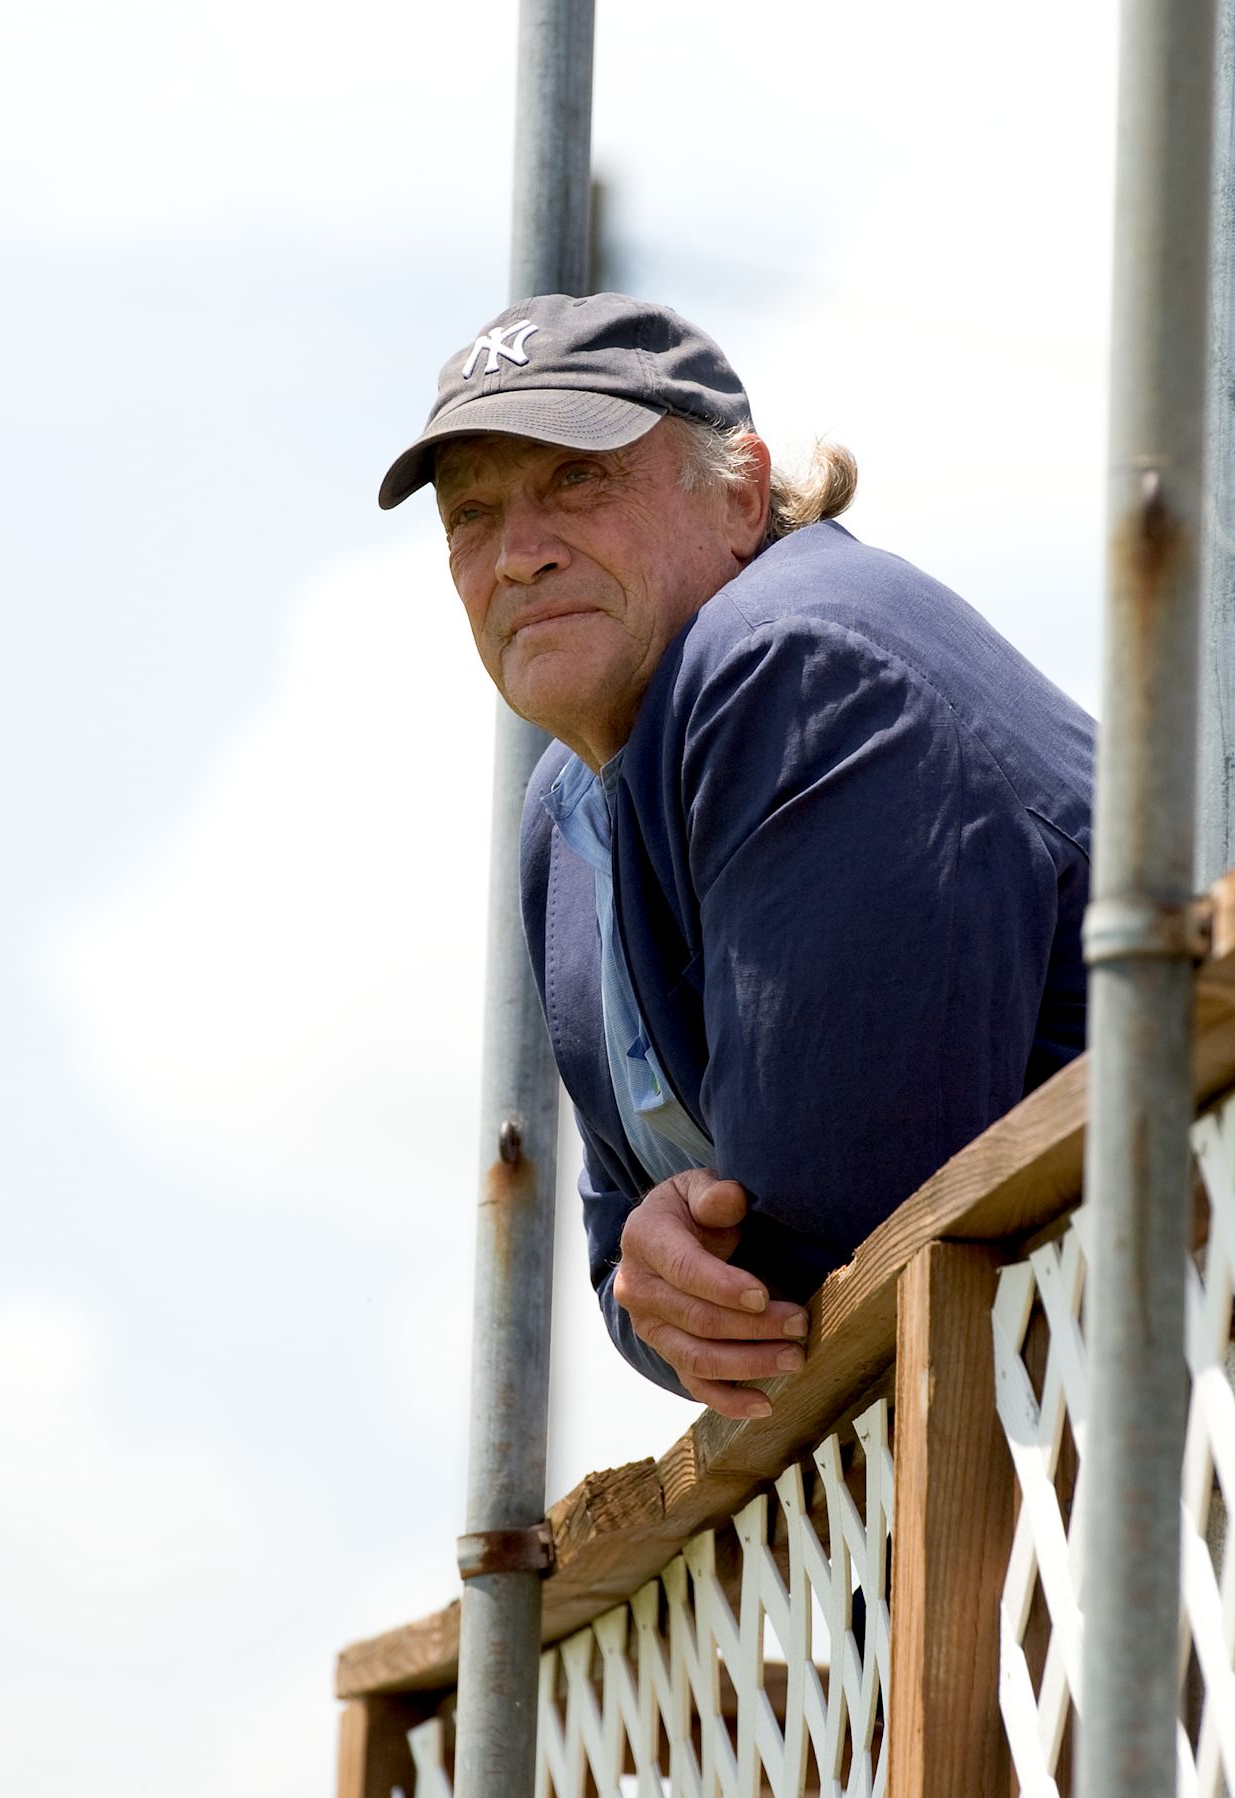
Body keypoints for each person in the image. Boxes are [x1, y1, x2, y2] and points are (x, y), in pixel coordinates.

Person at [379, 292, 1096, 1418]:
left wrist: (681, 1266)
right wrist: (648, 1282)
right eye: (470, 513)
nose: (517, 555)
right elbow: (628, 1251)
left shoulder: (795, 662)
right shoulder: (564, 816)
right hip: (1090, 1452)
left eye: (578, 478)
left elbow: (832, 1231)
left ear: (741, 492)